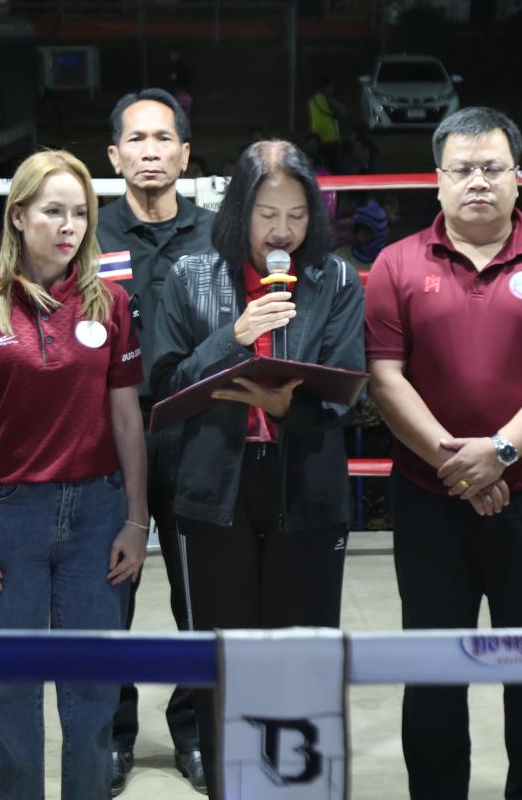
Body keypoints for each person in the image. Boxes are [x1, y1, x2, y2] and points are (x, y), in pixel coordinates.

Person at [367, 106, 522, 799]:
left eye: (492, 168)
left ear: (517, 177)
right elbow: (385, 379)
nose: (478, 181)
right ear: (438, 179)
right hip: (428, 499)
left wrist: (499, 452)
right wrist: (463, 468)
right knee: (433, 672)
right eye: (462, 169)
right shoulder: (396, 263)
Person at [152, 139, 365, 798]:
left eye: (297, 215)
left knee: (303, 662)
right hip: (216, 486)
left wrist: (286, 406)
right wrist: (234, 337)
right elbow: (164, 386)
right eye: (267, 214)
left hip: (307, 486)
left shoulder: (336, 279)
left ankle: (299, 789)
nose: (282, 231)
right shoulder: (189, 274)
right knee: (223, 664)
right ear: (239, 212)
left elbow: (347, 392)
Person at [0, 149, 148, 800]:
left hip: (98, 514)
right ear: (18, 216)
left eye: (80, 213)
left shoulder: (110, 303)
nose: (69, 226)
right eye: (54, 211)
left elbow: (127, 419)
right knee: (13, 691)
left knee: (93, 690)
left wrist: (137, 519)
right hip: (8, 516)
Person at [96, 88, 214, 795]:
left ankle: (196, 731)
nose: (150, 151)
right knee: (109, 595)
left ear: (185, 154)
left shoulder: (219, 235)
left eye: (163, 138)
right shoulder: (86, 233)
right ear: (114, 156)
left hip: (200, 433)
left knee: (201, 599)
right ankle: (112, 735)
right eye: (136, 140)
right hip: (110, 440)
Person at [335, 198, 389, 272]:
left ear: (380, 234)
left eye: (367, 229)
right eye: (358, 228)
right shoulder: (340, 256)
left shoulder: (389, 261)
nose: (360, 233)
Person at [308, 76, 346, 172]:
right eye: (331, 87)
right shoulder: (323, 99)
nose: (332, 90)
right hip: (329, 139)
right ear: (327, 87)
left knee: (322, 165)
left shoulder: (313, 100)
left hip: (319, 138)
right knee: (333, 167)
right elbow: (340, 111)